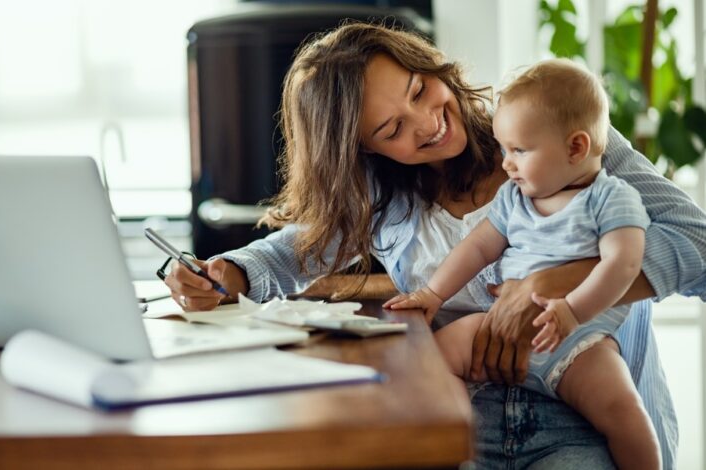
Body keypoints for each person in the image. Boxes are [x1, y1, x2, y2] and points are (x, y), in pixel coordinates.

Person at [164, 22, 706, 469]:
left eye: (420, 90)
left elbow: (698, 245)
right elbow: (290, 251)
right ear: (364, 151)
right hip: (462, 410)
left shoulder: (558, 132)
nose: (427, 123)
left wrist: (553, 282)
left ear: (428, 65)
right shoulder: (384, 195)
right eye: (392, 128)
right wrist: (221, 274)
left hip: (585, 410)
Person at [385, 59, 659, 469]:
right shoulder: (516, 199)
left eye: (519, 151)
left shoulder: (611, 199)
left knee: (625, 413)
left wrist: (571, 310)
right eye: (503, 149)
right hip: (499, 326)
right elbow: (477, 249)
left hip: (578, 343)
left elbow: (622, 265)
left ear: (575, 148)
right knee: (433, 357)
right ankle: (460, 448)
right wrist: (432, 293)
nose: (506, 163)